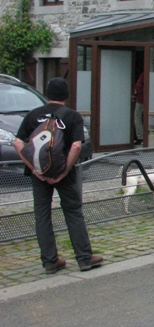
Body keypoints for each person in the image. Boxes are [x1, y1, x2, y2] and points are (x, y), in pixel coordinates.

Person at [13, 78, 103, 275]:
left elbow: (18, 143)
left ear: (47, 94)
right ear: (67, 95)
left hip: (39, 174)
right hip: (65, 172)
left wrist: (36, 169)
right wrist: (64, 170)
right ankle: (84, 258)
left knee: (42, 214)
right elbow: (77, 146)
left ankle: (50, 261)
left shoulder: (32, 116)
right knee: (73, 212)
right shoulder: (72, 117)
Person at [133, 73, 144, 144]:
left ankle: (140, 137)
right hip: (148, 99)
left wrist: (136, 92)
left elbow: (137, 87)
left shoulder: (143, 75)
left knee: (137, 117)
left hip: (140, 100)